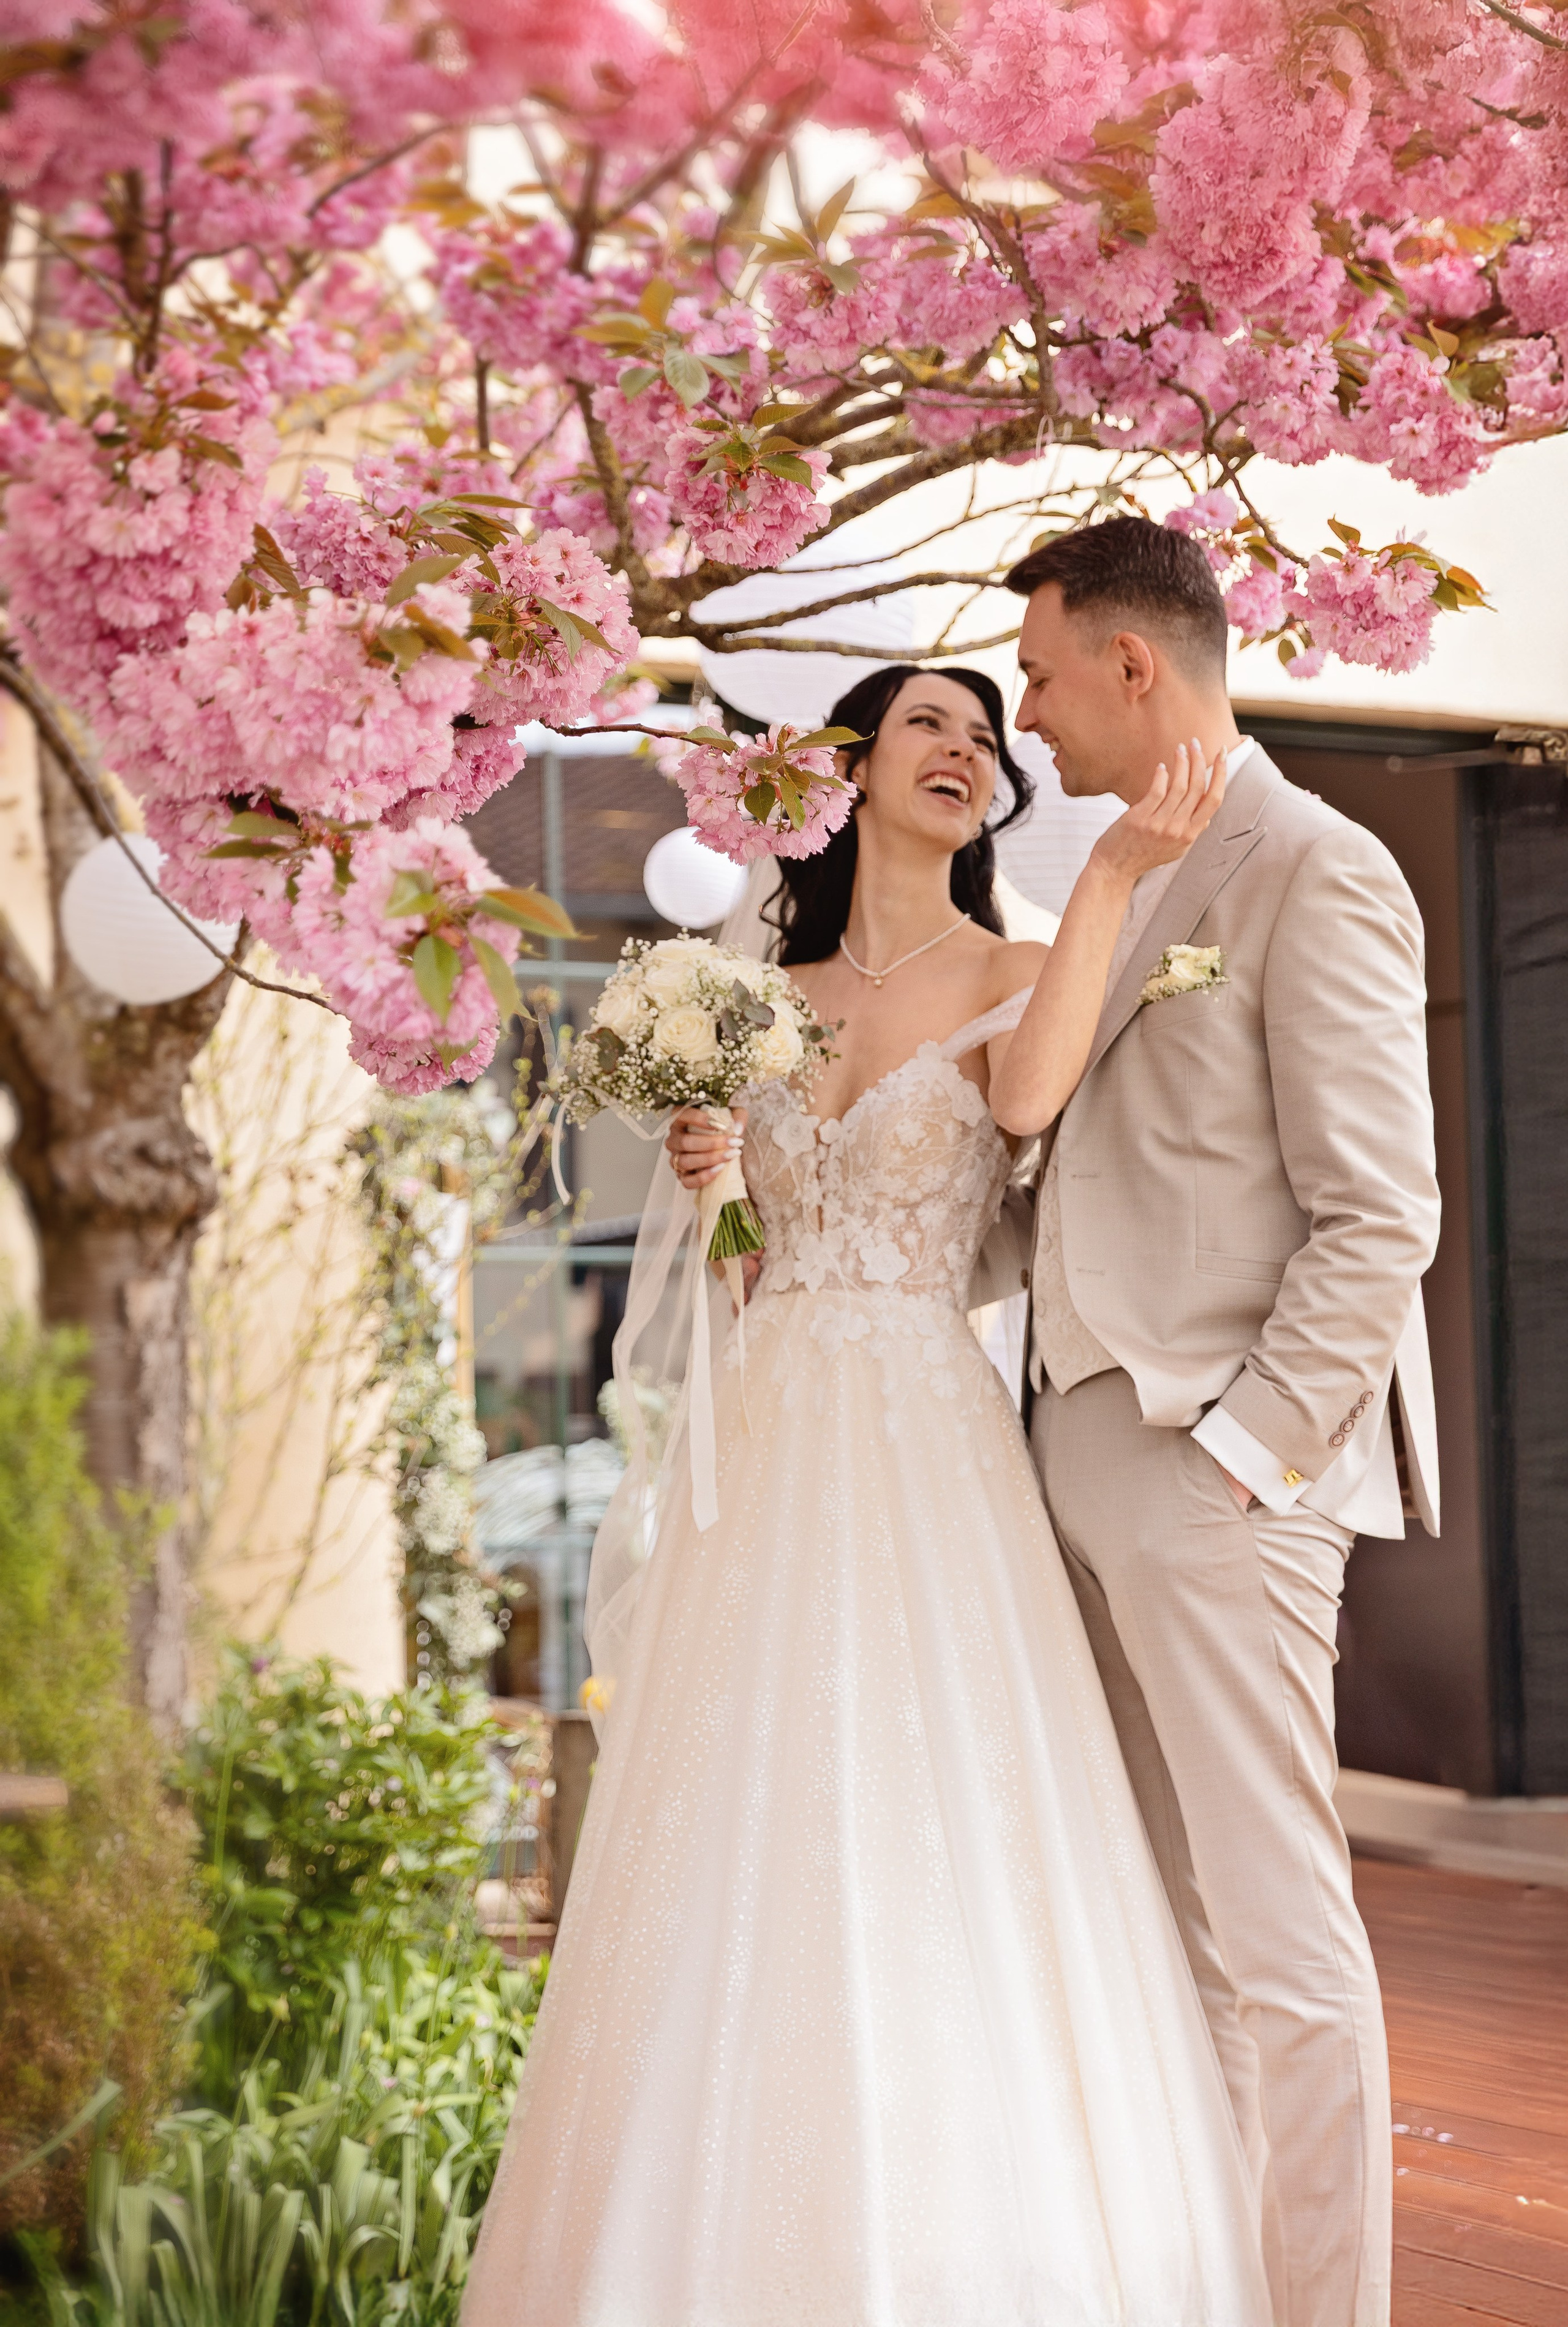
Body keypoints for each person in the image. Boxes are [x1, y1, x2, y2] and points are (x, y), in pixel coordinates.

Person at [462, 661, 1276, 2327]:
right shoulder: (747, 997)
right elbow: (744, 1274)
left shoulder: (1025, 966)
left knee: (939, 1804)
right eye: (929, 725)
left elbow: (1029, 1104)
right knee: (742, 1806)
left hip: (927, 1432)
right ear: (848, 773)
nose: (967, 749)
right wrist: (711, 1186)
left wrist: (1114, 874)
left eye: (986, 735)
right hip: (774, 1435)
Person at [989, 516, 1442, 2327]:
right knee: (1167, 1935)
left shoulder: (1315, 866)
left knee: (1281, 1942)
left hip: (1212, 1474)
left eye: (1039, 673)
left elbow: (1379, 1214)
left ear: (1132, 663)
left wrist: (1248, 1459)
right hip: (1074, 1469)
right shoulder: (1130, 877)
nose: (1026, 714)